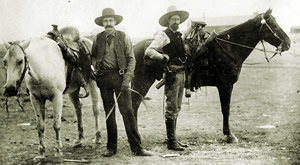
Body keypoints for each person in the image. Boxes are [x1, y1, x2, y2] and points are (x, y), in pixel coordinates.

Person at [91, 8, 152, 157]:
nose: (108, 23)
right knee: (109, 113)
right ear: (102, 23)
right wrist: (95, 70)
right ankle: (111, 147)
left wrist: (127, 79)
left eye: (110, 20)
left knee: (128, 112)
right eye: (105, 21)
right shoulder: (97, 38)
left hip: (120, 78)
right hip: (104, 79)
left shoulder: (124, 37)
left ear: (115, 22)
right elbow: (92, 57)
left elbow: (131, 60)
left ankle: (137, 148)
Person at [145, 5, 194, 151]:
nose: (177, 21)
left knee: (177, 107)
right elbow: (149, 51)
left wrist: (192, 27)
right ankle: (171, 142)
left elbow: (183, 35)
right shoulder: (163, 35)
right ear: (168, 20)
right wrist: (163, 57)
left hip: (181, 74)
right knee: (172, 107)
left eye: (178, 19)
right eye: (174, 19)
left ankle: (173, 139)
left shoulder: (178, 35)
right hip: (172, 74)